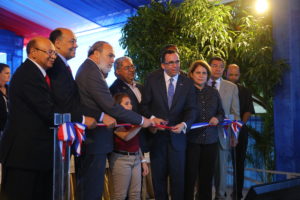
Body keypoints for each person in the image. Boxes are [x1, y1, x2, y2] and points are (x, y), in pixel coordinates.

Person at [75, 41, 152, 200]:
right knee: (91, 191)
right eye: (109, 56)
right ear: (96, 54)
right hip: (93, 141)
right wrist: (141, 120)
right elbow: (110, 106)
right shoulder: (91, 72)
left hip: (95, 141)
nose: (112, 60)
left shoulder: (90, 70)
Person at [0, 37, 57, 200]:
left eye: (54, 52)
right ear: (33, 53)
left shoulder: (36, 73)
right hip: (24, 155)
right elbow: (46, 110)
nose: (53, 56)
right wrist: (76, 119)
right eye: (49, 52)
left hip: (33, 154)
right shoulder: (28, 74)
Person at [141, 49, 197, 200]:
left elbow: (192, 109)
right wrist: (153, 119)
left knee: (178, 182)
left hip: (178, 141)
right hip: (157, 141)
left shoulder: (187, 83)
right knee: (158, 182)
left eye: (177, 61)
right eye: (171, 62)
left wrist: (184, 124)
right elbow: (144, 106)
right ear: (163, 65)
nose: (175, 65)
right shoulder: (152, 80)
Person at [185, 60, 225, 200]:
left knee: (207, 179)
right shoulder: (185, 92)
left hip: (210, 141)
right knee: (189, 178)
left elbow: (222, 113)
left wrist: (217, 119)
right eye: (198, 72)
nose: (201, 75)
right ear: (191, 74)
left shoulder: (213, 92)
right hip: (191, 141)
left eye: (204, 73)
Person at [48, 28, 100, 128]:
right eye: (72, 41)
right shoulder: (55, 66)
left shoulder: (62, 66)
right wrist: (84, 119)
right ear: (57, 43)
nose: (76, 45)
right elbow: (64, 103)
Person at [207, 56, 240, 200]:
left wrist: (234, 135)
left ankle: (220, 197)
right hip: (203, 134)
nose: (218, 69)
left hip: (223, 135)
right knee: (203, 171)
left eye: (221, 66)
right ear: (209, 67)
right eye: (214, 65)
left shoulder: (231, 87)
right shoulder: (200, 83)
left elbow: (235, 114)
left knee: (221, 172)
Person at [109, 93, 149, 200]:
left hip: (136, 158)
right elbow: (126, 136)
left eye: (130, 103)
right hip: (121, 160)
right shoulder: (116, 122)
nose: (130, 106)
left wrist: (143, 160)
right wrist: (141, 124)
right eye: (126, 104)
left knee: (136, 194)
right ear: (118, 106)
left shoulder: (133, 121)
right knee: (120, 195)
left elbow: (136, 143)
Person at [226, 64, 255, 200]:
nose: (233, 77)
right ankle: (221, 192)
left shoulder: (245, 91)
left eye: (235, 75)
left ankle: (237, 193)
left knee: (239, 163)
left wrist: (239, 126)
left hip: (240, 130)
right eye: (230, 74)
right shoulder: (219, 88)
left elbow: (248, 110)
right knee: (218, 162)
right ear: (226, 74)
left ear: (239, 75)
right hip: (222, 130)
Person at [0, 63, 10, 138]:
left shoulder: (10, 89)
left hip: (9, 128)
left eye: (9, 73)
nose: (9, 75)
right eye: (6, 73)